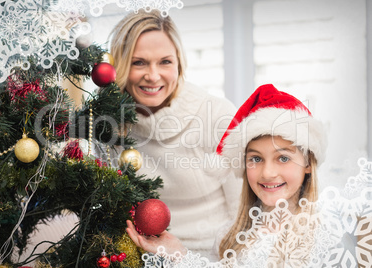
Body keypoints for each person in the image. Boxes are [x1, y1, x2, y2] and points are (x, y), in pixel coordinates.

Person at [126, 84, 328, 265]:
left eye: (283, 158)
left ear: (308, 162)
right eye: (256, 159)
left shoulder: (327, 233)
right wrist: (179, 253)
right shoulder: (230, 237)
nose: (267, 173)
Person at [108, 10, 241, 256]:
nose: (153, 75)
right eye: (139, 62)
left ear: (179, 63)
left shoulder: (215, 114)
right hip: (137, 255)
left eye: (165, 61)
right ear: (121, 66)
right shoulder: (109, 124)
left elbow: (244, 213)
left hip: (213, 254)